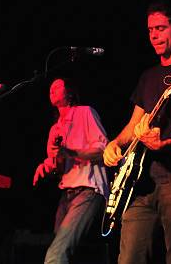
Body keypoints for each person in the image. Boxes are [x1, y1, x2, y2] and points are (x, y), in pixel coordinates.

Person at [103, 0, 171, 264]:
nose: (154, 35)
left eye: (160, 28)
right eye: (150, 30)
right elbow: (133, 125)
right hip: (139, 184)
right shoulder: (147, 76)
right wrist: (114, 144)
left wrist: (163, 144)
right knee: (128, 258)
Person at [33, 78, 109, 264]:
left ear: (70, 93)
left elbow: (103, 149)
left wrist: (71, 152)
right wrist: (46, 167)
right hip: (66, 194)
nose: (52, 90)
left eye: (57, 86)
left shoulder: (85, 112)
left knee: (56, 255)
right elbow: (58, 167)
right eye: (50, 88)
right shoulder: (55, 129)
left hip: (89, 190)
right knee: (68, 254)